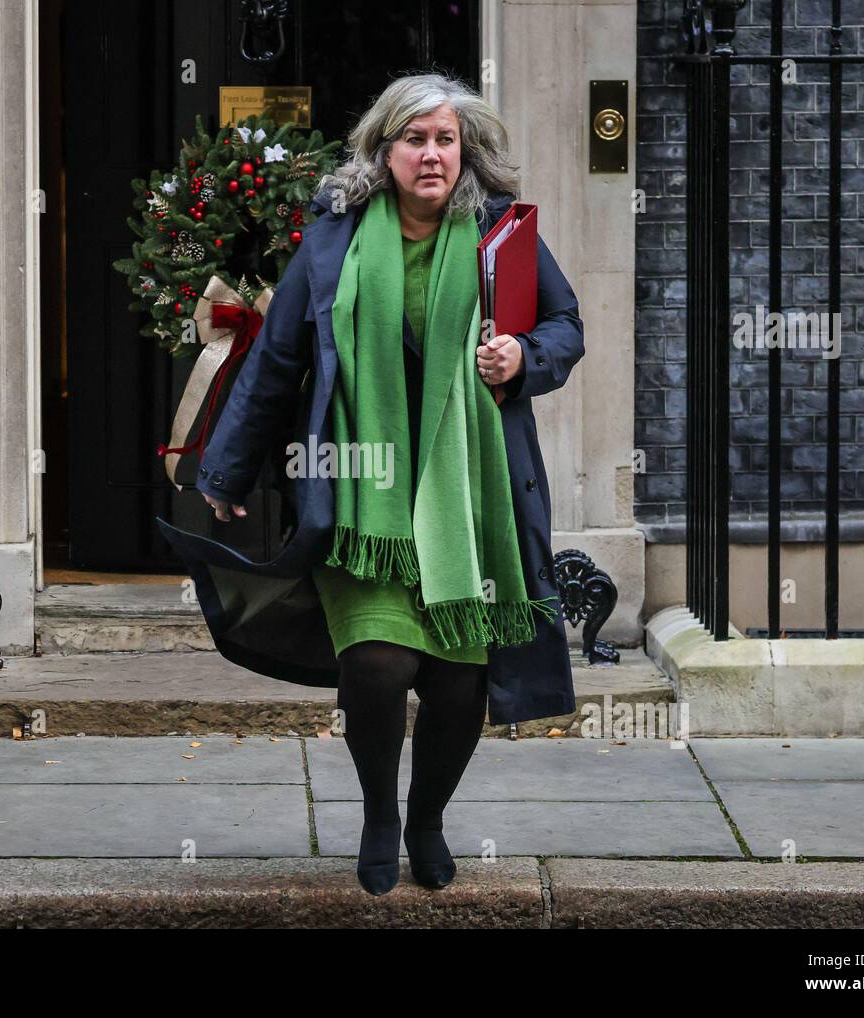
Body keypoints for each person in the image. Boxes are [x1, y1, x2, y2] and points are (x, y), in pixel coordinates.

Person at [166, 72, 586, 896]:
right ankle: (379, 815)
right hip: (363, 498)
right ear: (384, 149)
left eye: (444, 139)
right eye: (414, 139)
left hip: (468, 498)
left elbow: (564, 325)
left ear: (464, 149)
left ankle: (426, 816)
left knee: (461, 685)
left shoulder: (502, 232)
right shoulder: (333, 239)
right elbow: (280, 356)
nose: (431, 155)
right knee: (380, 665)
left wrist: (523, 359)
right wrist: (225, 469)